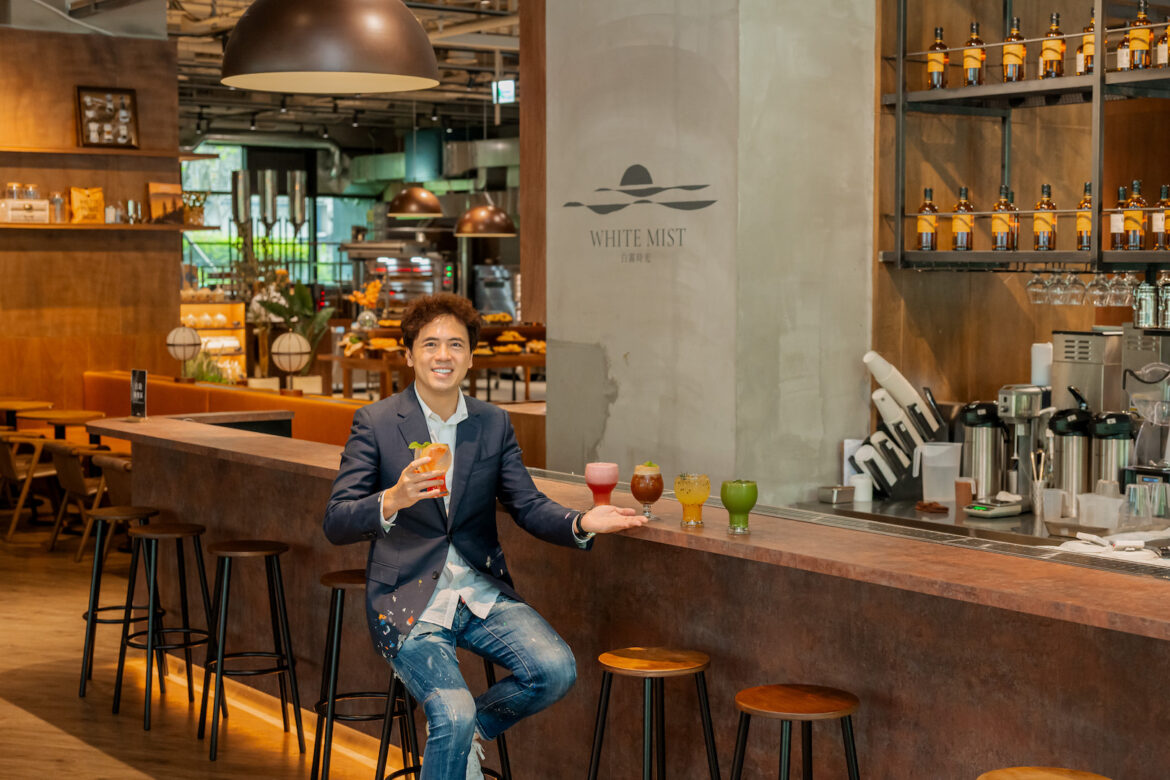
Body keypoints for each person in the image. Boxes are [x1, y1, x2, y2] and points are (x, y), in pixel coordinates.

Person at [323, 293, 645, 779]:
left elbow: (527, 504)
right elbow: (336, 520)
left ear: (471, 357)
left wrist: (581, 522)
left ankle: (473, 731)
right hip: (408, 601)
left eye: (455, 344)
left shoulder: (492, 423)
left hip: (477, 593)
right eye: (430, 344)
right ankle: (459, 728)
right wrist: (393, 498)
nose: (443, 355)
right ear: (408, 354)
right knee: (451, 712)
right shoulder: (377, 422)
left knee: (556, 669)